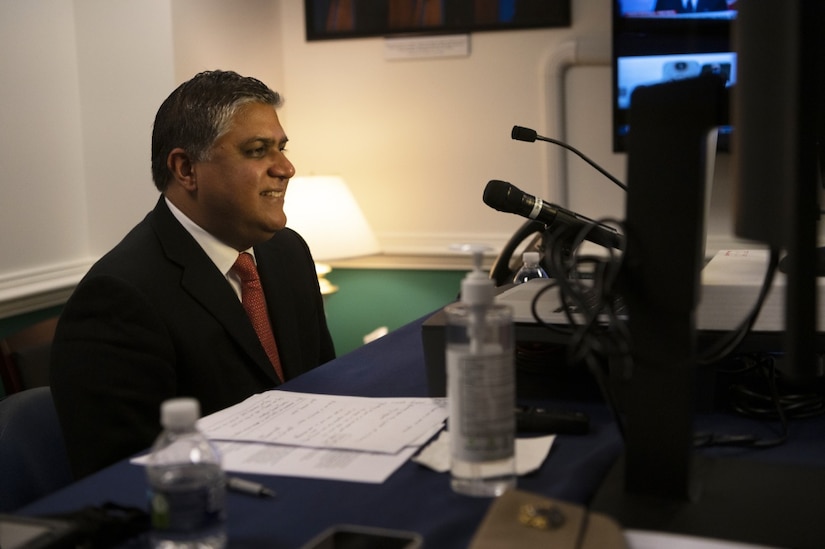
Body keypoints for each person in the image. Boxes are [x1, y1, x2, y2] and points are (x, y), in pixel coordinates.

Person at [50, 70, 336, 479]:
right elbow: (125, 479)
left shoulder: (287, 252)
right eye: (258, 151)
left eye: (282, 148)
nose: (286, 168)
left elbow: (323, 391)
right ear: (186, 169)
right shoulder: (118, 298)